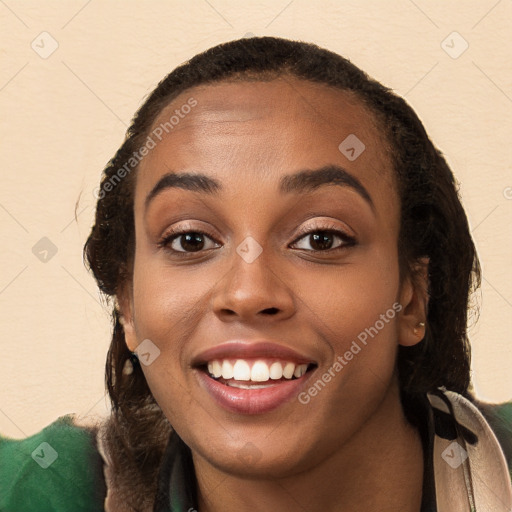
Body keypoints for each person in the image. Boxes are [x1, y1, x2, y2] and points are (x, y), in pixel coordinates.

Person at [1, 36, 511, 512]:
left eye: (321, 238)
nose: (248, 293)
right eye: (191, 240)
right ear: (128, 301)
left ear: (413, 296)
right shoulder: (38, 489)